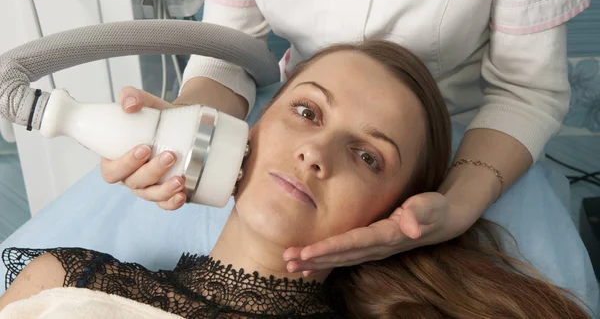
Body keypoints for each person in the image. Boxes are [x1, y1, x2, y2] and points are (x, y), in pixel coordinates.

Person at [99, 0, 592, 281]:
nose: (313, 158)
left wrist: (457, 204)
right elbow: (230, 51)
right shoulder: (73, 278)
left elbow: (526, 90)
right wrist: (189, 130)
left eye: (366, 156)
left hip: (462, 133)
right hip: (300, 100)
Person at [0, 41, 590, 318]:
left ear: (392, 214)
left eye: (368, 157)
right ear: (249, 129)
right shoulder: (61, 276)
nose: (315, 152)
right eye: (307, 112)